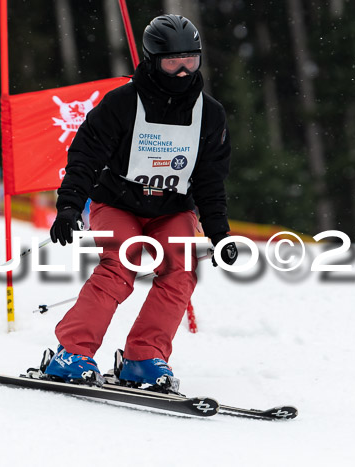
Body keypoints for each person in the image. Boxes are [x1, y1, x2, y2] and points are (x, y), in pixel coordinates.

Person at [45, 14, 238, 392]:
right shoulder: (122, 103)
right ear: (152, 60)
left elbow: (210, 180)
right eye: (172, 62)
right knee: (120, 266)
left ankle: (144, 357)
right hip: (118, 202)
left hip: (172, 208)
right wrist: (69, 205)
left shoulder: (210, 114)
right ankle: (72, 352)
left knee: (180, 273)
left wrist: (220, 233)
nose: (183, 72)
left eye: (191, 61)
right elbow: (86, 154)